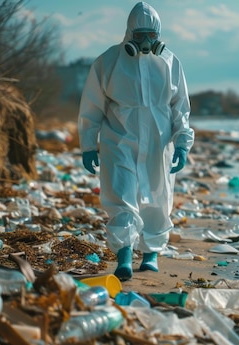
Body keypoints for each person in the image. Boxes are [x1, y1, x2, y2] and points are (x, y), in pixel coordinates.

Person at [77, 2, 194, 281]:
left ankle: (151, 253)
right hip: (119, 140)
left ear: (159, 35)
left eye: (151, 36)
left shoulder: (170, 62)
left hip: (158, 142)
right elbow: (91, 107)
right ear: (129, 33)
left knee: (158, 196)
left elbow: (180, 108)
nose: (145, 42)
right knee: (120, 196)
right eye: (140, 34)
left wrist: (182, 143)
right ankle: (125, 255)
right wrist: (88, 144)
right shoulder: (109, 61)